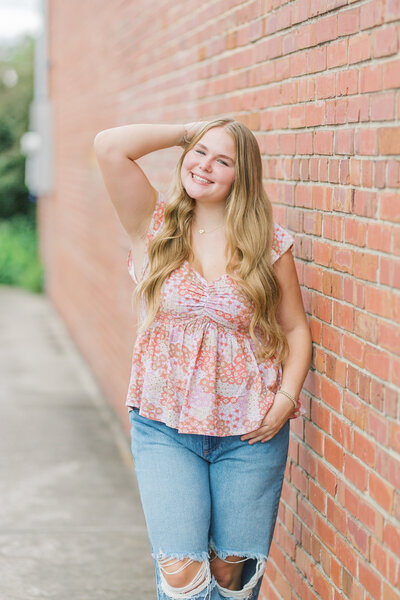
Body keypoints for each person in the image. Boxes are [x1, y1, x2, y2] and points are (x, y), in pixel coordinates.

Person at [94, 118, 312, 600]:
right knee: (182, 580)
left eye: (223, 160)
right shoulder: (154, 224)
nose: (205, 166)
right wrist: (186, 132)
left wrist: (285, 399)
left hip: (251, 435)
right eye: (199, 153)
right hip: (165, 430)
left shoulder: (268, 243)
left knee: (232, 581)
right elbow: (109, 146)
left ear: (242, 176)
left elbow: (296, 330)